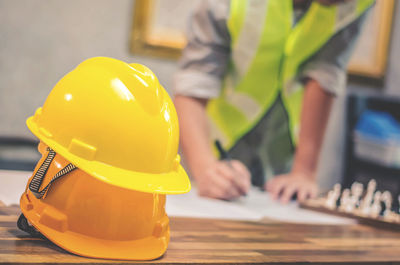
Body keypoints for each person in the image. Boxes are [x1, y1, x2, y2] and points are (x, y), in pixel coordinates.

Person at [173, 0, 373, 203]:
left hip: (280, 150)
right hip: (213, 141)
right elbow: (194, 80)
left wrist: (304, 171)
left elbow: (325, 70)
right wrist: (205, 166)